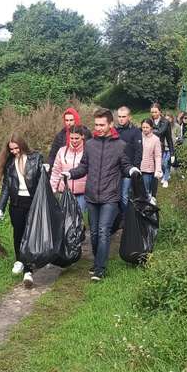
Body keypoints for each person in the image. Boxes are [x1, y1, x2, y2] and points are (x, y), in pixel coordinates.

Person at [62, 108, 140, 281]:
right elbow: (83, 167)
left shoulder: (120, 146)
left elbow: (125, 166)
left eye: (102, 125)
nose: (98, 128)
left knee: (104, 231)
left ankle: (100, 269)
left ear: (110, 124)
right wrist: (70, 173)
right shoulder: (90, 145)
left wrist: (132, 170)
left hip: (110, 196)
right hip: (91, 196)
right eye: (96, 125)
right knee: (95, 233)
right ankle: (98, 260)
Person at [0, 133, 45, 288]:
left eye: (16, 148)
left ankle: (28, 271)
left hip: (33, 202)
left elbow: (43, 182)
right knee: (18, 234)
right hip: (16, 204)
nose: (14, 151)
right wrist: (0, 207)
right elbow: (6, 188)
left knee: (29, 235)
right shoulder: (9, 163)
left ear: (22, 145)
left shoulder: (36, 158)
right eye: (11, 149)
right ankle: (19, 260)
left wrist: (46, 171)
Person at [50, 125, 87, 214]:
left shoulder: (87, 150)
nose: (74, 141)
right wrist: (52, 189)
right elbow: (56, 171)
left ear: (82, 136)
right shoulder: (62, 151)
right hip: (64, 192)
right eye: (72, 138)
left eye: (77, 138)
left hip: (82, 194)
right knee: (64, 218)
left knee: (80, 218)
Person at [115, 106, 142, 213]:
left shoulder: (135, 132)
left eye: (124, 116)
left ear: (129, 117)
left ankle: (126, 218)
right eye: (119, 116)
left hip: (129, 170)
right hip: (115, 170)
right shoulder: (114, 131)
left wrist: (135, 169)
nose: (121, 119)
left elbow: (139, 151)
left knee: (124, 196)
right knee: (115, 196)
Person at [149, 103, 175, 192]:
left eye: (155, 112)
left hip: (160, 148)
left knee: (163, 164)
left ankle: (165, 177)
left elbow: (168, 138)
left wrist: (172, 153)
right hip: (149, 148)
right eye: (152, 112)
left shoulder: (166, 122)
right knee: (151, 169)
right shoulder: (149, 121)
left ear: (160, 112)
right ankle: (150, 190)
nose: (154, 114)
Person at [140, 118, 163, 204]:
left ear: (151, 128)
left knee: (147, 190)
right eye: (143, 127)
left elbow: (158, 155)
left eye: (147, 127)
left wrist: (158, 169)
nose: (145, 129)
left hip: (148, 169)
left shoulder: (155, 139)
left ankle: (149, 206)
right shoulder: (138, 137)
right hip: (138, 167)